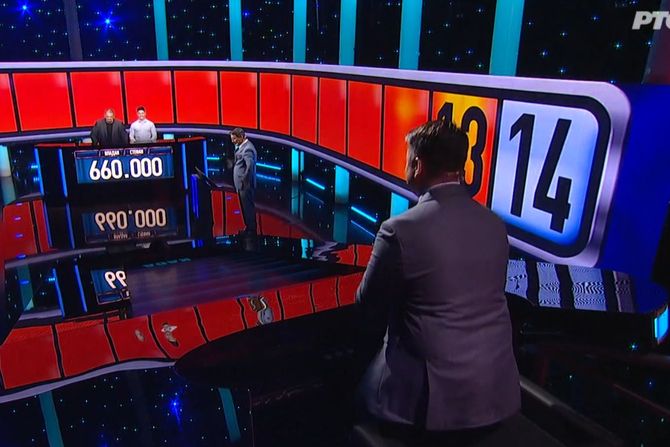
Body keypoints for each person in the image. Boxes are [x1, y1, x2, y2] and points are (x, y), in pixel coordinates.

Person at [355, 119, 520, 440]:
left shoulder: (399, 230)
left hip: (431, 410)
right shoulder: (494, 224)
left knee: (345, 397)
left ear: (417, 165)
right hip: (495, 396)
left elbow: (367, 304)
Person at [230, 128, 257, 234]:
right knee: (244, 207)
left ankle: (251, 229)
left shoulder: (248, 149)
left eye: (234, 139)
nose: (233, 141)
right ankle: (248, 227)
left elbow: (250, 167)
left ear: (241, 136)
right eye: (232, 139)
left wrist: (244, 182)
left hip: (245, 185)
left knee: (248, 207)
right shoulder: (241, 147)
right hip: (241, 185)